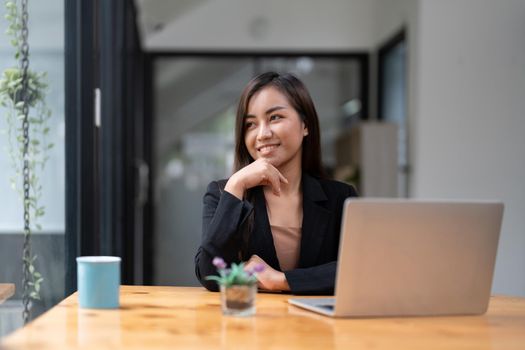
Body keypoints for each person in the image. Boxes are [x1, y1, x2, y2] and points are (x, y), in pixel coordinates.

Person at [194, 72, 357, 295]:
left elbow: (358, 271)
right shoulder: (223, 194)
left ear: (305, 124)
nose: (262, 134)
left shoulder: (341, 197)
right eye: (250, 124)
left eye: (275, 118)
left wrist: (282, 280)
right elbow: (210, 275)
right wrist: (237, 185)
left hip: (320, 327)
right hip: (249, 325)